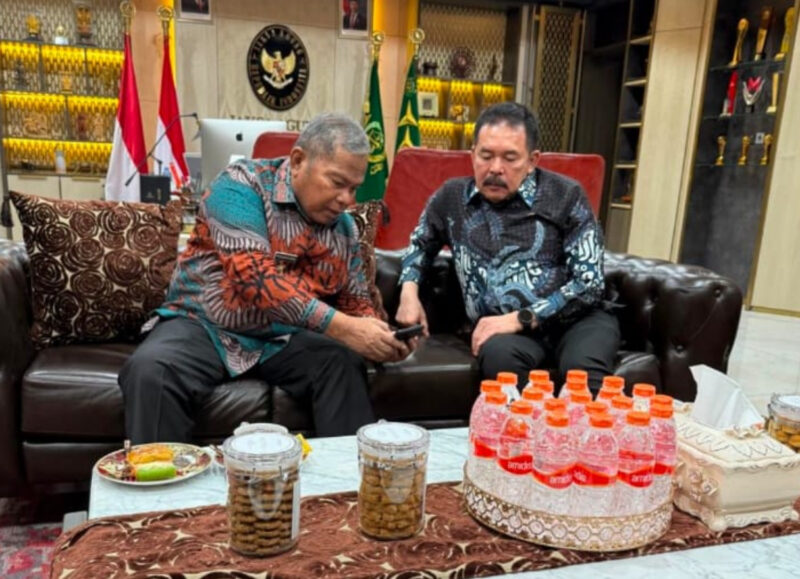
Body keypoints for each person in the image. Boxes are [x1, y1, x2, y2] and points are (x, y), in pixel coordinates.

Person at [119, 113, 413, 444]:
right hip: (202, 325)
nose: (348, 199)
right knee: (152, 370)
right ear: (298, 161)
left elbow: (356, 303)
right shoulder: (241, 186)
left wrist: (382, 339)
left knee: (341, 363)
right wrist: (344, 328)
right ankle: (163, 479)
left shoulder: (344, 229)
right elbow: (254, 278)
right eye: (337, 182)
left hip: (283, 339)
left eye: (354, 188)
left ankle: (345, 476)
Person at [395, 102, 619, 393]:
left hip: (577, 322)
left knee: (583, 376)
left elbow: (589, 284)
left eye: (510, 158)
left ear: (532, 160)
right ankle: (523, 425)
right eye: (486, 156)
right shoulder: (452, 198)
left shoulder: (566, 195)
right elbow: (419, 244)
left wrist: (521, 318)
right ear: (472, 154)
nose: (495, 169)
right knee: (500, 359)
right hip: (510, 336)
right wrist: (409, 293)